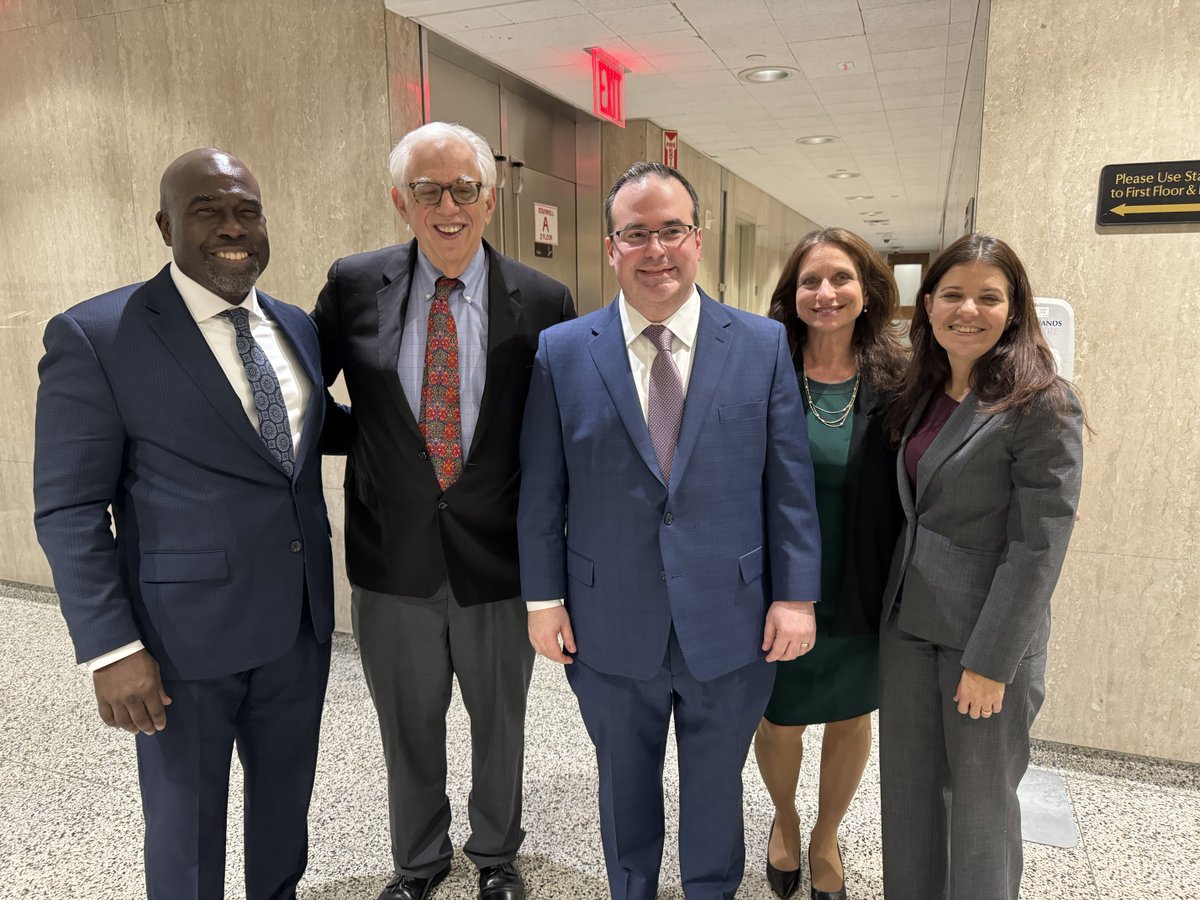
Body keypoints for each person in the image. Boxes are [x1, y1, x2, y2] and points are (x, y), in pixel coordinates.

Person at [33, 148, 340, 899]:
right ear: (167, 225)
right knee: (187, 830)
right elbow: (69, 508)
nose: (232, 227)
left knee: (284, 813)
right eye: (207, 210)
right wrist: (110, 647)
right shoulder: (98, 336)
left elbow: (303, 438)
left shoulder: (295, 326)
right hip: (179, 643)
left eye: (247, 210)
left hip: (299, 625)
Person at [518, 161, 823, 900]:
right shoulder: (563, 351)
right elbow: (541, 489)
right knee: (624, 783)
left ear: (699, 239)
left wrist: (797, 597)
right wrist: (541, 600)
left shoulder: (760, 344)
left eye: (672, 231)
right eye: (637, 234)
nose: (657, 250)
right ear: (612, 244)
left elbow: (788, 484)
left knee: (716, 785)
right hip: (608, 617)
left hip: (733, 617)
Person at [313, 121, 575, 900]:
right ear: (402, 200)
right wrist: (373, 447)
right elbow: (303, 393)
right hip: (392, 557)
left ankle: (496, 855)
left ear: (490, 201)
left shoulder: (544, 299)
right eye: (428, 190)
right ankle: (418, 862)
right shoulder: (355, 284)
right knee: (408, 729)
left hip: (501, 562)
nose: (448, 205)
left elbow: (560, 432)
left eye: (465, 188)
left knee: (502, 727)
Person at [878, 233, 1084, 900]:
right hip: (909, 628)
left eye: (988, 297)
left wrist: (993, 661)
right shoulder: (924, 390)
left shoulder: (1041, 402)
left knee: (979, 810)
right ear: (927, 304)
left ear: (1014, 308)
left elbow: (1038, 546)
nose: (968, 310)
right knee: (907, 800)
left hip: (983, 643)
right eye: (953, 294)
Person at [756, 228, 907, 899]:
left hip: (866, 576)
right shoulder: (764, 368)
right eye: (810, 281)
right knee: (779, 718)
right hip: (778, 584)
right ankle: (785, 823)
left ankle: (825, 836)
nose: (825, 293)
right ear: (791, 293)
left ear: (868, 291)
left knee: (851, 717)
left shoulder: (902, 380)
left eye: (841, 278)